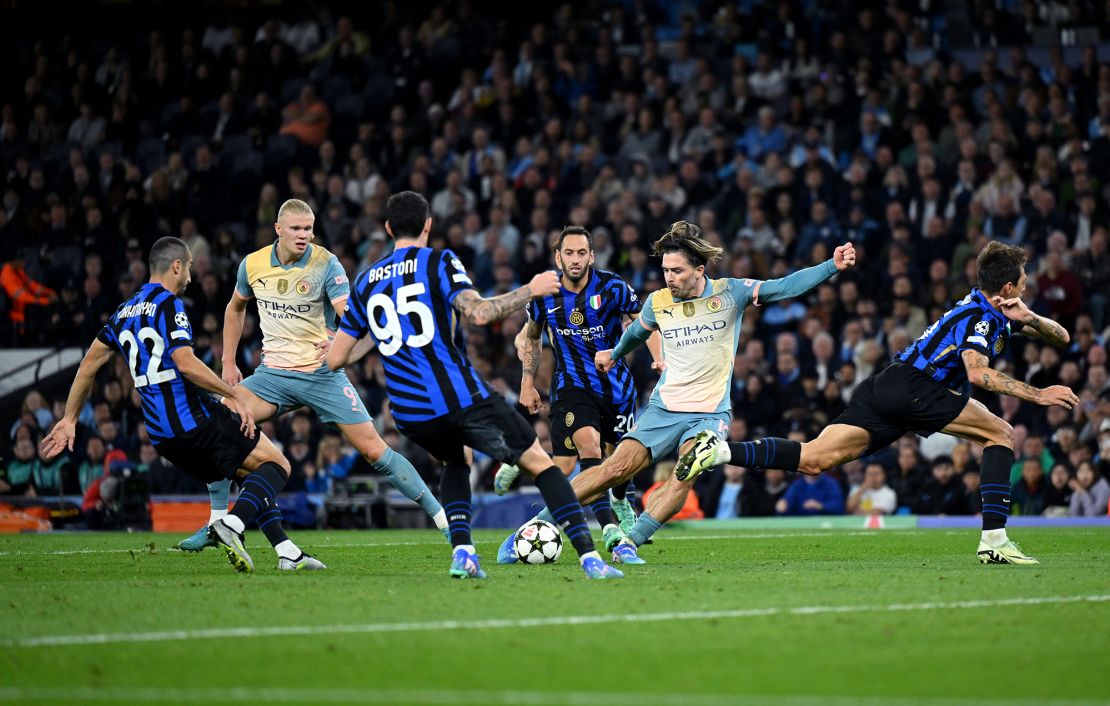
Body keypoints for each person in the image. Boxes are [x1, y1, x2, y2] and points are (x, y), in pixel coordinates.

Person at [679, 242, 1076, 565]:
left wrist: (1032, 318)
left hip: (888, 384)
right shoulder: (983, 319)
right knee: (1001, 433)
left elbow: (1062, 339)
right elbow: (977, 373)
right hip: (916, 386)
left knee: (814, 459)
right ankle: (994, 539)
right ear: (1006, 287)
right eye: (1023, 283)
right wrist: (1039, 394)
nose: (1026, 287)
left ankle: (719, 452)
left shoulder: (993, 310)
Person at [497, 221, 855, 564]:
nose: (670, 278)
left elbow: (784, 286)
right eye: (666, 271)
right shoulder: (658, 301)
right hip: (663, 409)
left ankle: (630, 542)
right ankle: (535, 527)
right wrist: (614, 353)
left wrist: (830, 267)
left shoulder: (731, 292)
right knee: (614, 469)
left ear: (700, 270)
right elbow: (638, 331)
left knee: (686, 469)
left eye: (677, 271)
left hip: (709, 412)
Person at [327, 191, 623, 580]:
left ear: (387, 229)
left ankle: (463, 553)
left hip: (409, 412)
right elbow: (481, 312)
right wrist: (530, 290)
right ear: (428, 225)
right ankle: (590, 558)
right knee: (541, 464)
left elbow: (337, 358)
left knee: (455, 460)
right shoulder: (439, 262)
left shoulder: (365, 280)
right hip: (457, 395)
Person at [178, 199, 449, 551]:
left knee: (375, 451)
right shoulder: (254, 264)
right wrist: (228, 362)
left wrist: (339, 338)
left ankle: (443, 520)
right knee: (220, 424)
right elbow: (235, 308)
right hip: (272, 375)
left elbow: (348, 311)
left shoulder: (325, 263)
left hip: (322, 375)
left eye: (308, 228)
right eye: (296, 228)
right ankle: (216, 524)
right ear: (278, 229)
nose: (304, 235)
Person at [40, 237, 322, 572]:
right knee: (277, 466)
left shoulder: (123, 311)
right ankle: (230, 526)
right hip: (193, 421)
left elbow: (88, 365)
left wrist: (69, 418)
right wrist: (233, 395)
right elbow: (185, 363)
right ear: (176, 266)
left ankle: (286, 551)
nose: (189, 276)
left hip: (163, 438)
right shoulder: (169, 305)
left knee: (251, 474)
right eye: (188, 268)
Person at [493, 225, 662, 554]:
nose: (575, 259)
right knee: (589, 445)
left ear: (591, 256)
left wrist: (660, 360)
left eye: (581, 253)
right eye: (568, 253)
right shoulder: (546, 293)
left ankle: (528, 459)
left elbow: (645, 322)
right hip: (572, 385)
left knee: (603, 465)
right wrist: (527, 383)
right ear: (558, 256)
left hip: (617, 390)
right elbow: (530, 336)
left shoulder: (612, 287)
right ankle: (609, 526)